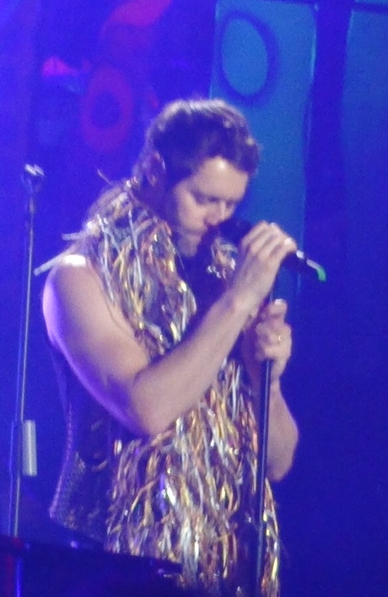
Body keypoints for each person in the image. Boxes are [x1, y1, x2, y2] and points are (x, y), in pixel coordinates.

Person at [42, 98, 300, 596]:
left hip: (217, 569)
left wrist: (265, 380)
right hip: (111, 564)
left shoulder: (221, 282)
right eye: (204, 199)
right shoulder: (79, 278)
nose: (218, 219)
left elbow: (278, 463)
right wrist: (237, 302)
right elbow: (146, 408)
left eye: (231, 205)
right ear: (157, 171)